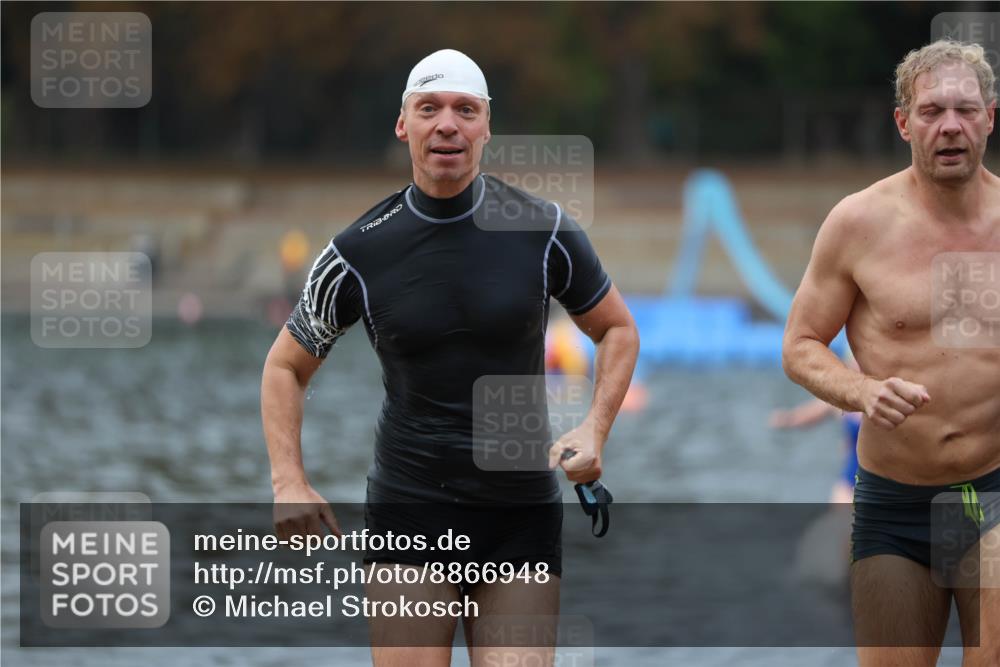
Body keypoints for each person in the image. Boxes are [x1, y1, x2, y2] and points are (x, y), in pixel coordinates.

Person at [260, 48, 639, 667]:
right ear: (402, 124)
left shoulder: (542, 230)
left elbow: (618, 330)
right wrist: (288, 480)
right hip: (410, 506)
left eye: (466, 110)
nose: (447, 125)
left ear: (487, 126)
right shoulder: (358, 251)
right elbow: (285, 367)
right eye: (429, 108)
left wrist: (595, 427)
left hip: (517, 513)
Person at [782, 40, 999, 666]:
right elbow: (799, 346)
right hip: (894, 500)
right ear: (904, 122)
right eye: (931, 111)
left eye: (965, 110)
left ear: (990, 116)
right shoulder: (858, 223)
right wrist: (862, 391)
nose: (950, 125)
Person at [770, 353, 862, 504]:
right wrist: (788, 419)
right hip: (849, 481)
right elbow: (811, 414)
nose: (856, 366)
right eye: (853, 362)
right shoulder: (842, 398)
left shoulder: (884, 396)